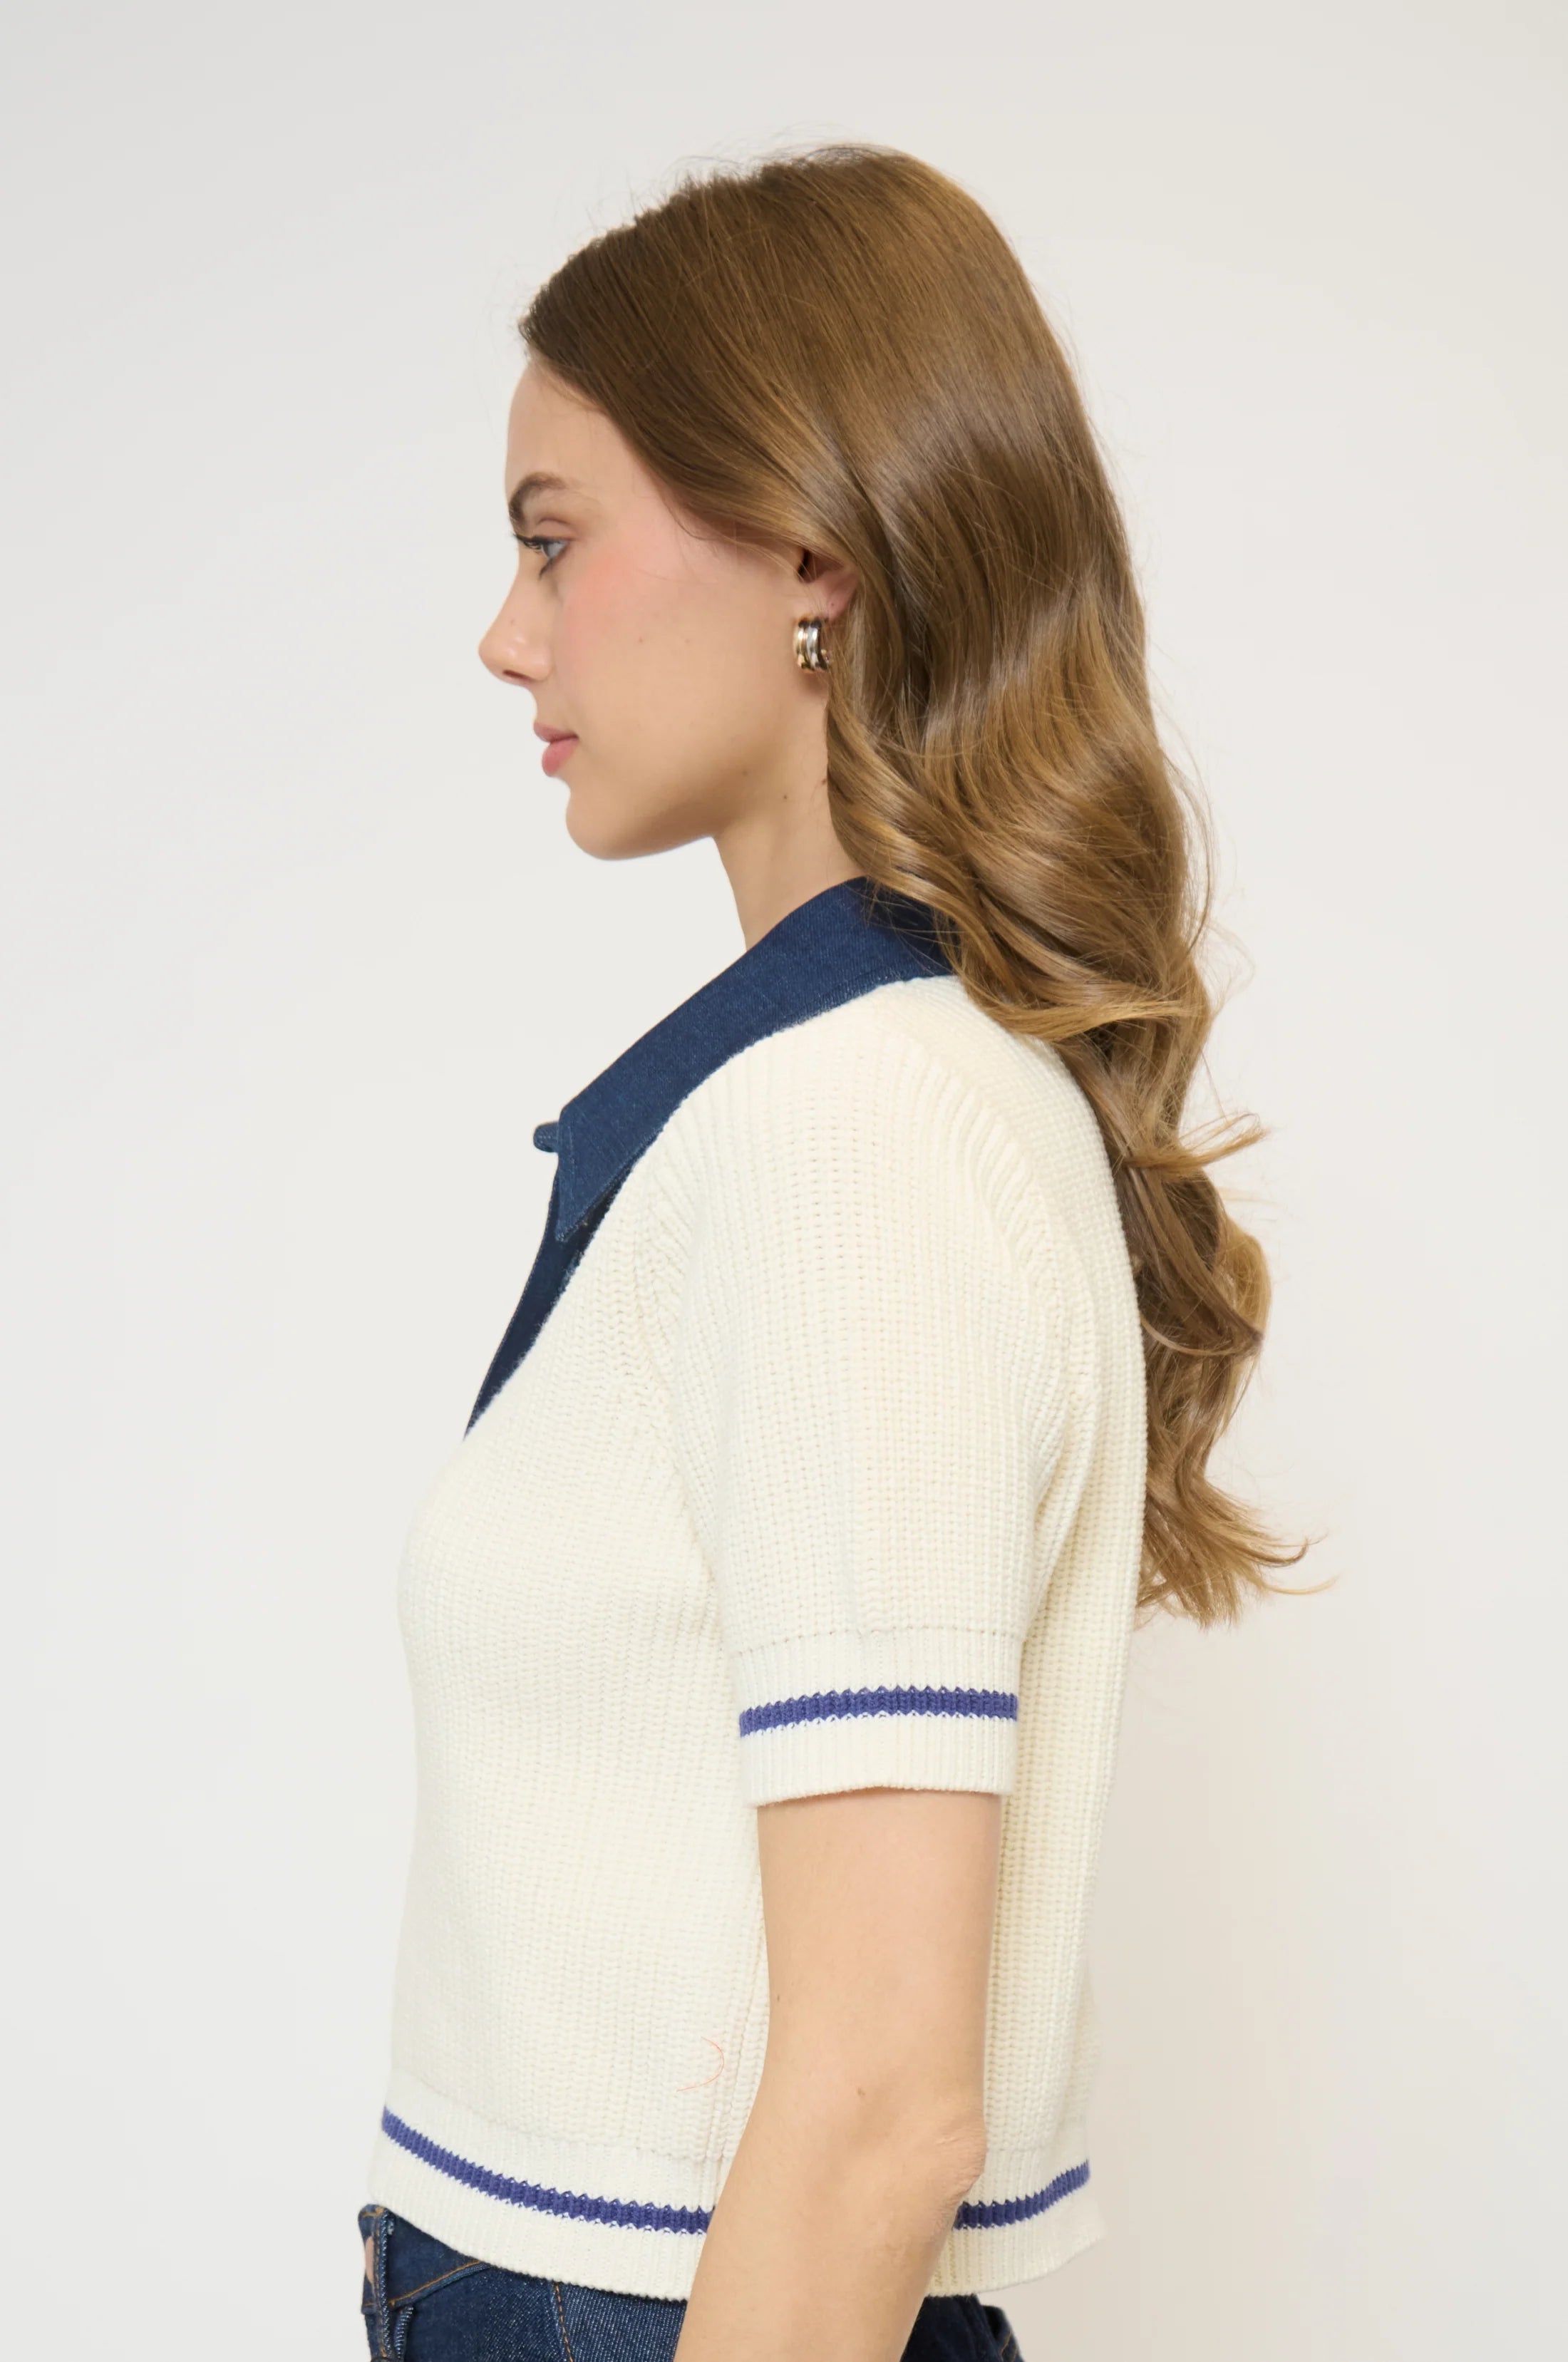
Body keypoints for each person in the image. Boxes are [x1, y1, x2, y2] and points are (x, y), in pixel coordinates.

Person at [357, 144, 1303, 2362]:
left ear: (811, 550)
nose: (508, 631)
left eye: (553, 539)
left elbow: (885, 2105)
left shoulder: (854, 1132)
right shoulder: (854, 1094)